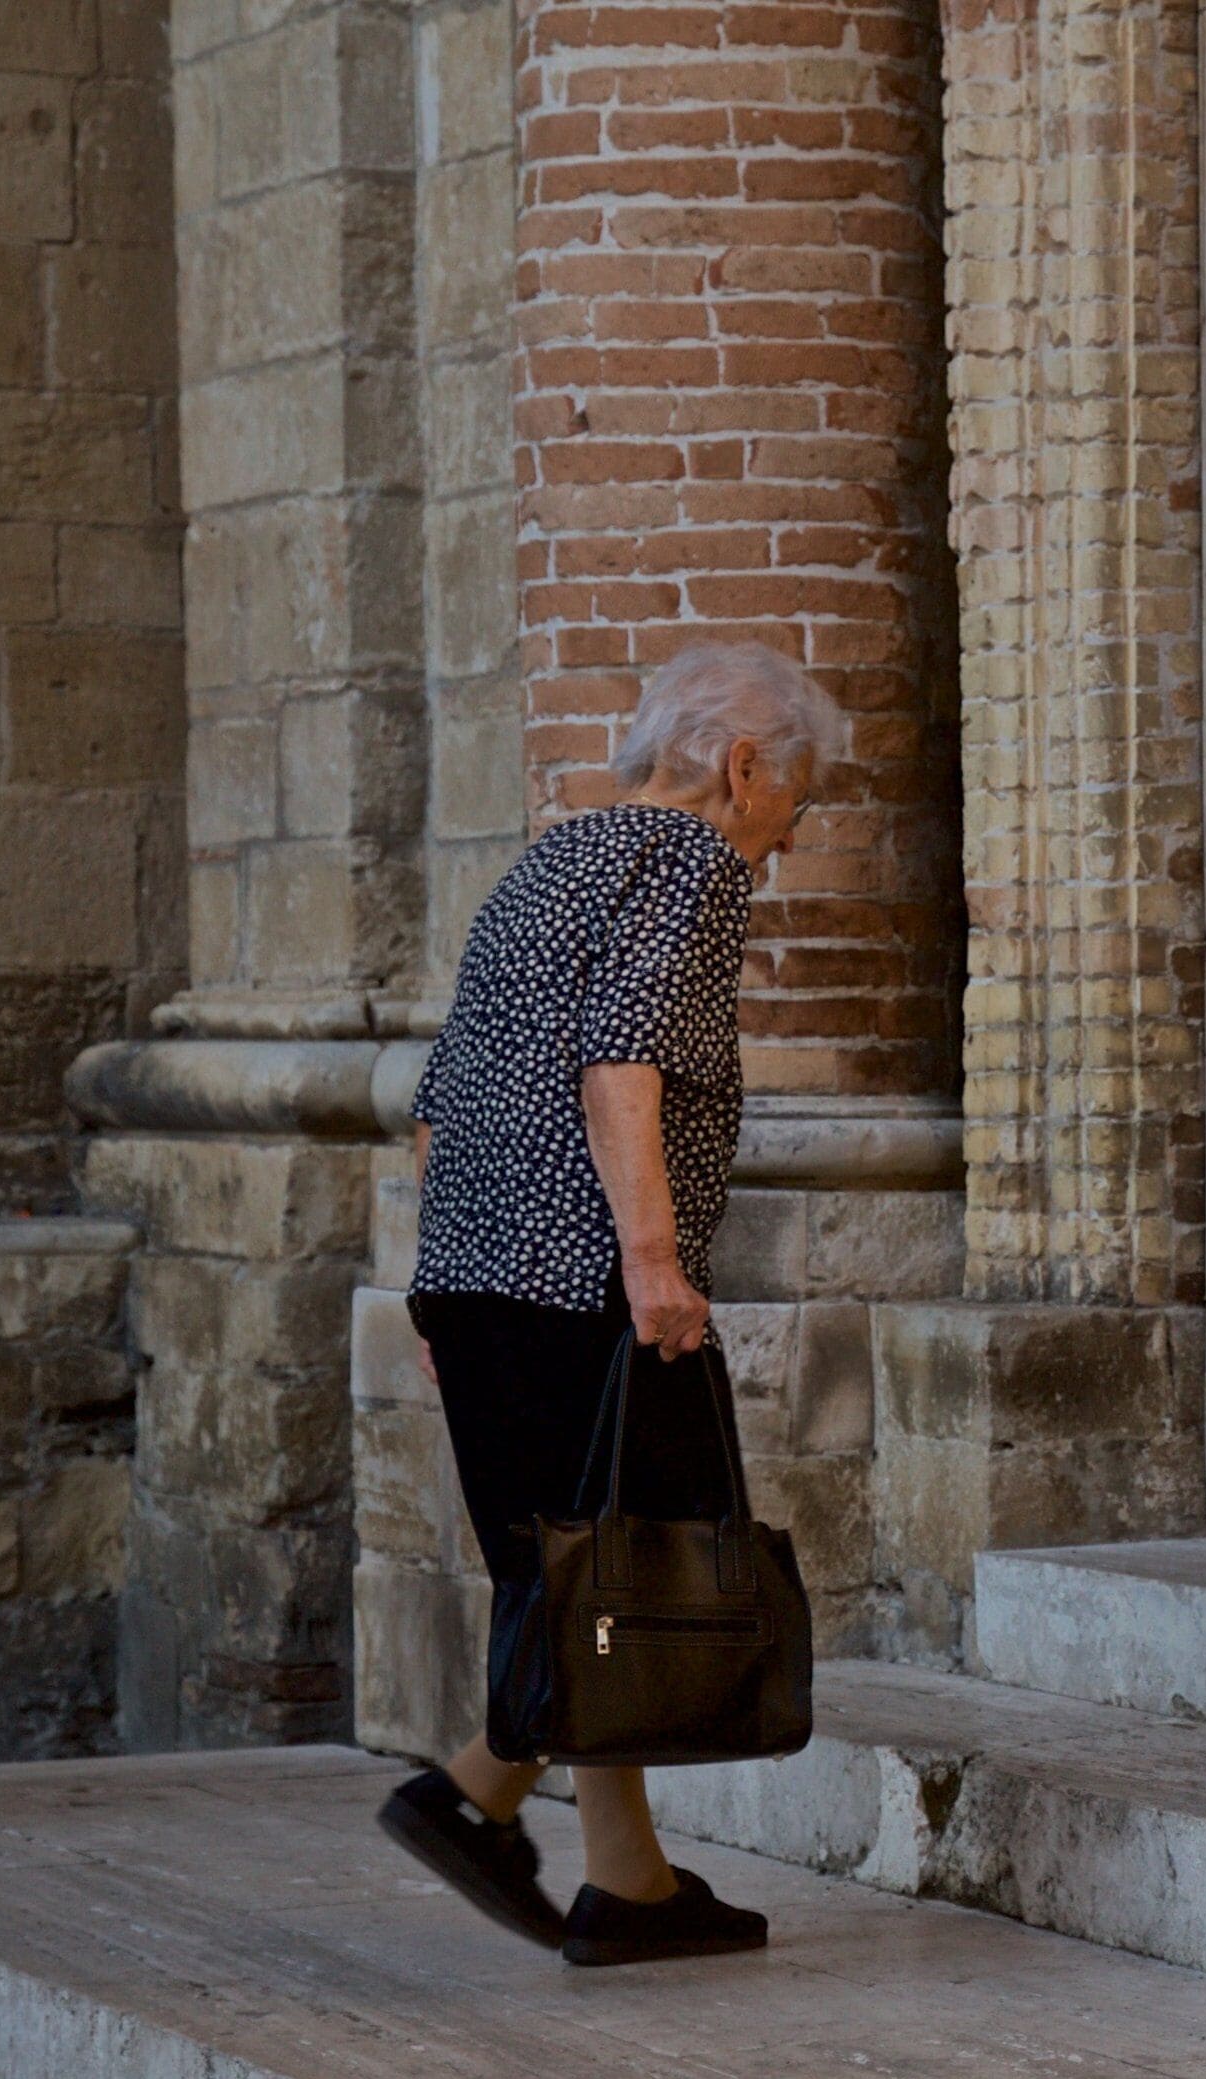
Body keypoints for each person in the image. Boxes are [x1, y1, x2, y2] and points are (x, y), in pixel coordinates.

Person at [377, 641, 830, 1967]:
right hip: (581, 1290)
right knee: (622, 1565)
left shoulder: (548, 864)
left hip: (482, 1282)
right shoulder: (689, 862)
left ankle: (627, 1885)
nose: (788, 839)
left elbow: (441, 1099)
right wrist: (654, 1261)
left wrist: (440, 1290)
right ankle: (468, 1797)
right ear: (742, 767)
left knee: (584, 1576)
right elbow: (621, 1066)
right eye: (793, 802)